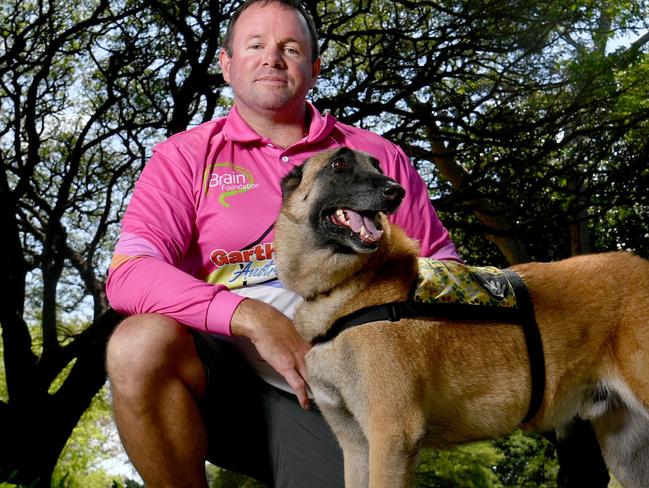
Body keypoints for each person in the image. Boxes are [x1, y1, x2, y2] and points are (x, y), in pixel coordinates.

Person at [106, 1, 607, 487]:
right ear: (226, 64)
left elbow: (442, 275)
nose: (272, 58)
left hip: (338, 392)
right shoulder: (184, 157)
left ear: (315, 66)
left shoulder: (376, 157)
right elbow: (128, 273)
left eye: (291, 48)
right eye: (255, 45)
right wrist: (253, 318)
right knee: (137, 344)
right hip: (221, 382)